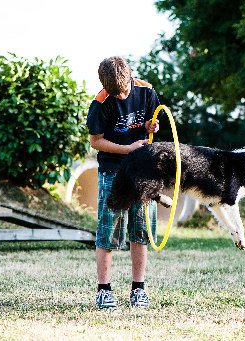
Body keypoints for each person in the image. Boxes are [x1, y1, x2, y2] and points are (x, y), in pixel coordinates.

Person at [86, 56, 160, 309]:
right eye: (115, 93)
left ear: (131, 76)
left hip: (143, 171)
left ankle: (138, 289)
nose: (122, 96)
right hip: (112, 171)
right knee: (109, 231)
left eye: (125, 89)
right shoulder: (100, 103)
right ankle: (104, 290)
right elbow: (95, 141)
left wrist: (152, 126)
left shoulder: (147, 91)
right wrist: (128, 149)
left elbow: (151, 124)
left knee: (140, 230)